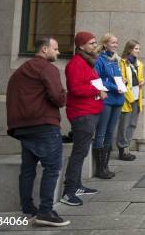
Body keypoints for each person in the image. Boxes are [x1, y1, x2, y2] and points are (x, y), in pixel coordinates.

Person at [5, 37, 70, 227]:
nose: (58, 53)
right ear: (44, 49)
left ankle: (27, 207)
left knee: (27, 168)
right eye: (56, 49)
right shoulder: (47, 68)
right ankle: (45, 211)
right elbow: (58, 98)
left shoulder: (20, 72)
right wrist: (63, 94)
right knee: (52, 167)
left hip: (22, 127)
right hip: (43, 124)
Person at [60, 32, 106, 206]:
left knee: (82, 152)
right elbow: (76, 89)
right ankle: (69, 191)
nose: (95, 45)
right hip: (82, 114)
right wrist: (97, 91)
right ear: (81, 46)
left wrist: (100, 89)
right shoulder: (76, 64)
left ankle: (77, 185)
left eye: (95, 42)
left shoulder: (87, 62)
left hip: (90, 112)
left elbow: (89, 83)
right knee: (79, 153)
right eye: (91, 43)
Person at [93, 33, 126, 178]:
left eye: (116, 42)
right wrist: (114, 86)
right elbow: (97, 80)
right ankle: (100, 169)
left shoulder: (115, 60)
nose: (115, 45)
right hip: (106, 100)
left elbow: (117, 78)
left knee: (110, 132)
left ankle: (105, 166)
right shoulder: (99, 60)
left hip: (118, 99)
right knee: (101, 132)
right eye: (113, 42)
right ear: (105, 44)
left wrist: (123, 82)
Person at [116, 40, 145, 161]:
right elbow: (122, 82)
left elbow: (139, 78)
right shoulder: (122, 63)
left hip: (137, 97)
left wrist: (142, 81)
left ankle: (126, 148)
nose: (138, 51)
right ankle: (122, 150)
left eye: (138, 49)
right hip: (127, 98)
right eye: (136, 49)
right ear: (129, 49)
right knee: (124, 125)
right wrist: (129, 97)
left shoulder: (139, 64)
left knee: (132, 124)